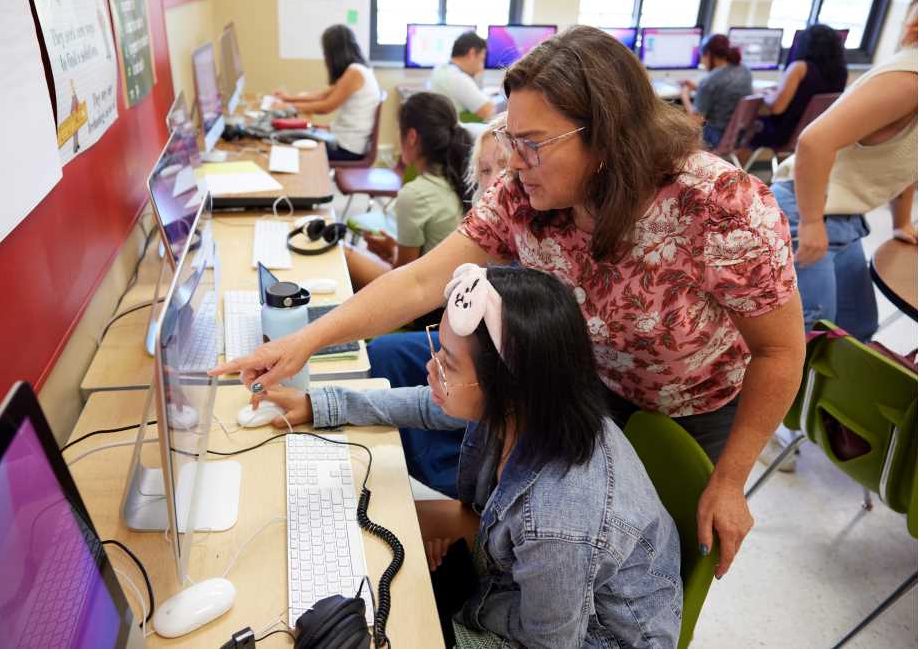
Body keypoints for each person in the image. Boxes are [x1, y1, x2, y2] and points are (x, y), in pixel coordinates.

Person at [212, 26, 806, 580]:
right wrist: (305, 339)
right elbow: (422, 282)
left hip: (693, 404)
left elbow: (779, 349)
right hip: (585, 387)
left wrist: (732, 478)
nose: (515, 161)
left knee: (637, 566)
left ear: (608, 134)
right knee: (553, 544)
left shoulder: (722, 209)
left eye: (532, 143)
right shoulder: (527, 193)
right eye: (512, 142)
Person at [254, 264, 682, 648]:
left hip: (596, 636)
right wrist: (318, 405)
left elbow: (549, 639)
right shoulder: (532, 406)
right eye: (437, 351)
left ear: (505, 386)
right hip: (545, 591)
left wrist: (467, 597)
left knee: (409, 617)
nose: (431, 368)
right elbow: (429, 404)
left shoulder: (558, 518)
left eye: (448, 365)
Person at [759, 0, 918, 471]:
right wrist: (809, 222)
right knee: (804, 335)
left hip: (843, 219)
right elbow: (813, 140)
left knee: (856, 329)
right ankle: (771, 427)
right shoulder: (909, 80)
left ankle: (810, 417)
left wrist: (902, 220)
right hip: (805, 208)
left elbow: (908, 163)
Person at [363, 113, 509, 499]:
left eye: (505, 166)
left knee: (439, 381)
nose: (495, 181)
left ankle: (437, 480)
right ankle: (411, 465)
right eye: (486, 170)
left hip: (489, 355)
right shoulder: (489, 221)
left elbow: (413, 278)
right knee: (385, 353)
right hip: (461, 331)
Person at [345, 92, 472, 291]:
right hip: (458, 295)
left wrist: (393, 256)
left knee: (343, 254)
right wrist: (395, 249)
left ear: (411, 137)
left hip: (427, 303)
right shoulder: (461, 179)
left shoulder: (415, 194)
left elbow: (403, 278)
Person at [272, 25, 380, 161]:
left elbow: (326, 107)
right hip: (344, 139)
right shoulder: (357, 69)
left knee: (281, 143)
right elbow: (322, 95)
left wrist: (289, 108)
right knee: (288, 135)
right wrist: (287, 99)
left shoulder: (355, 72)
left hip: (347, 148)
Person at [750, 24, 847, 149]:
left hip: (785, 133)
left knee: (747, 126)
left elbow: (777, 108)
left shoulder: (799, 68)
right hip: (816, 132)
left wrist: (767, 95)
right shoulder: (842, 72)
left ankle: (734, 167)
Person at [680, 34, 753, 149]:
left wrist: (684, 96)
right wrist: (698, 88)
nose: (702, 61)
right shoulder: (744, 70)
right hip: (739, 137)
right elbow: (724, 92)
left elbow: (695, 120)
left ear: (708, 54)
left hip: (715, 138)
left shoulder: (709, 81)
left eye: (702, 56)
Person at [430, 32, 496, 121]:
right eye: (482, 60)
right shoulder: (457, 78)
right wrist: (478, 77)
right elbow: (489, 112)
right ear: (472, 53)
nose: (481, 66)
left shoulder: (441, 69)